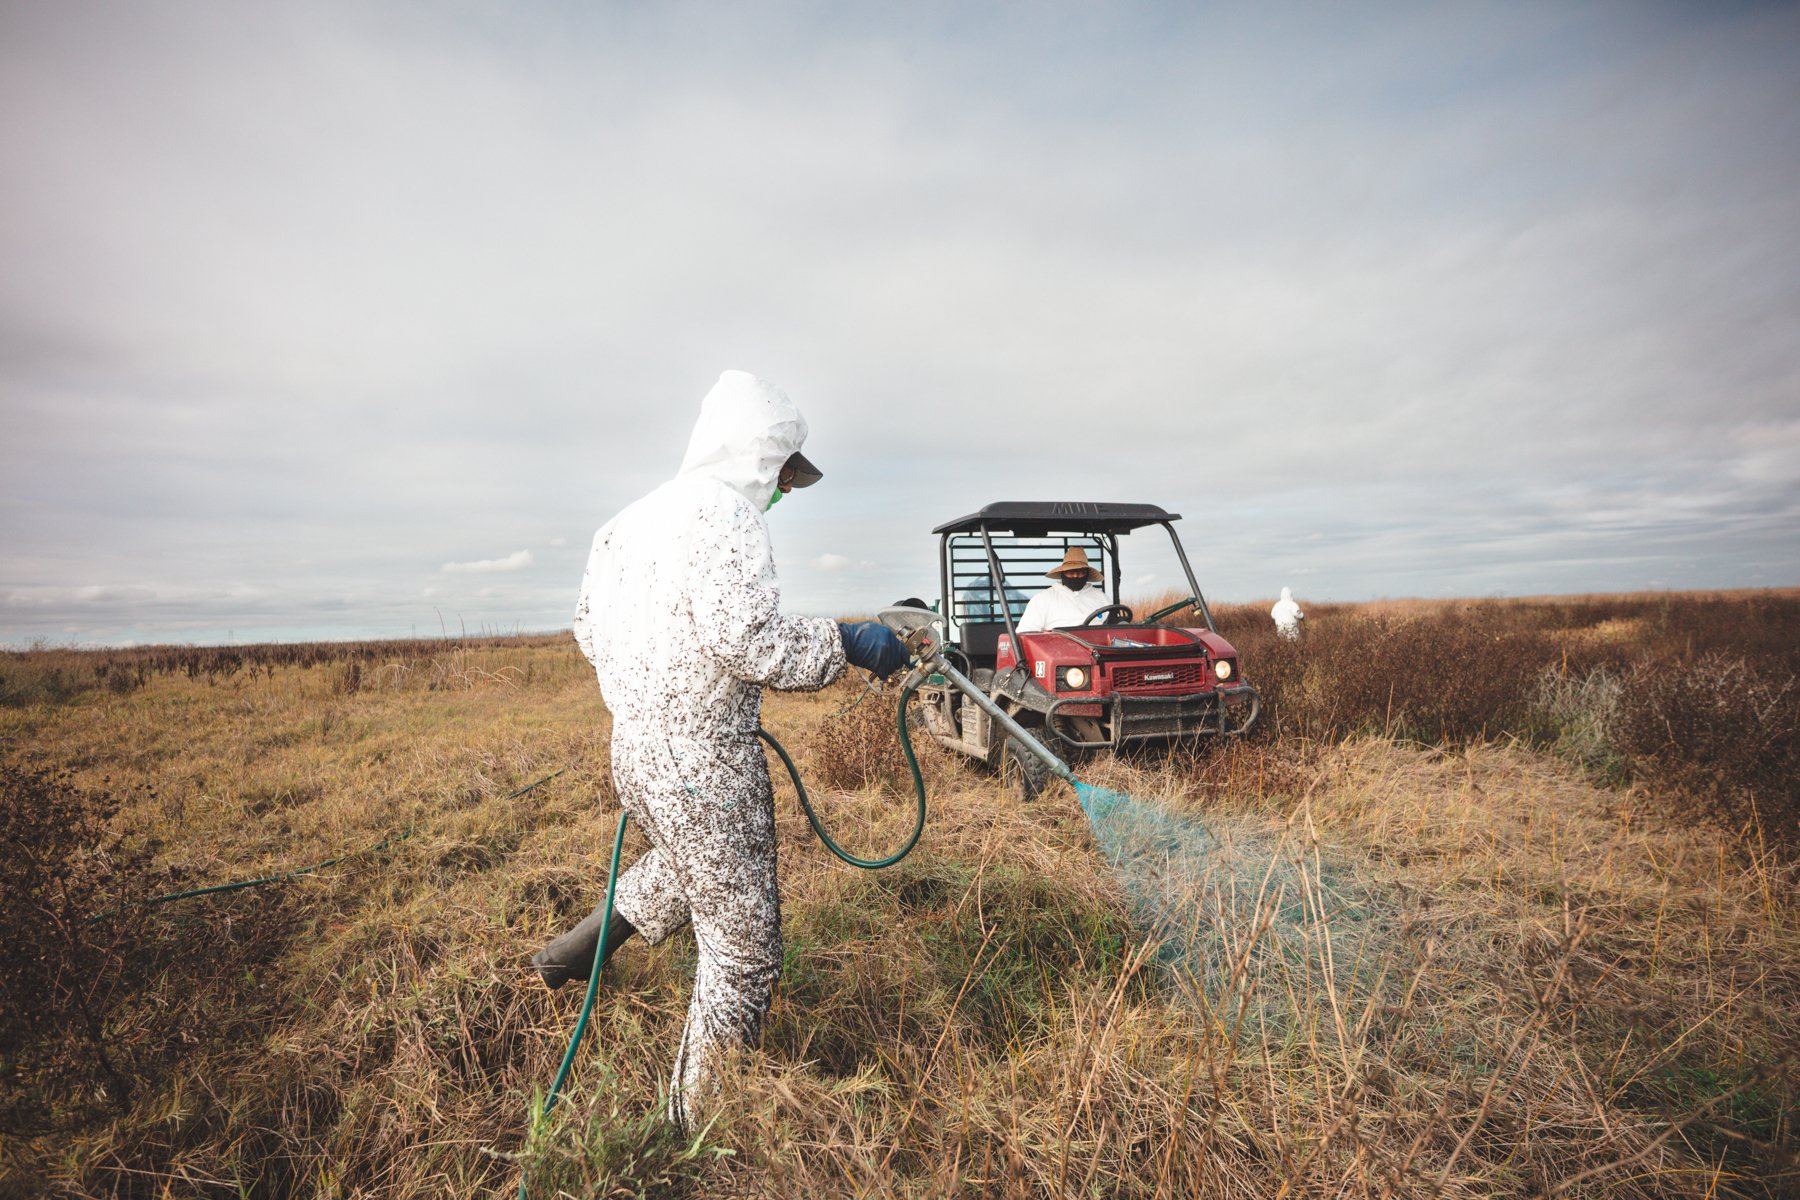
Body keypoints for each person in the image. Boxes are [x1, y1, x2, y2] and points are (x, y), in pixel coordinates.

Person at [539, 369, 907, 1132]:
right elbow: (753, 641)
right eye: (782, 476)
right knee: (743, 950)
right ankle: (689, 1127)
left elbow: (586, 627)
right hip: (703, 760)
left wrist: (652, 682)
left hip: (635, 751)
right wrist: (846, 642)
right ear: (757, 456)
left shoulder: (625, 523)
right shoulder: (726, 518)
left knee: (690, 862)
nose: (782, 493)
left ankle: (575, 951)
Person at [1015, 546, 1107, 632]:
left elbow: (1114, 627)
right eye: (1070, 572)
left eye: (1080, 572)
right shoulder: (1043, 599)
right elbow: (1025, 633)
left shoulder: (1100, 598)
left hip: (1098, 647)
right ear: (1062, 573)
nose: (1075, 576)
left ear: (1087, 574)